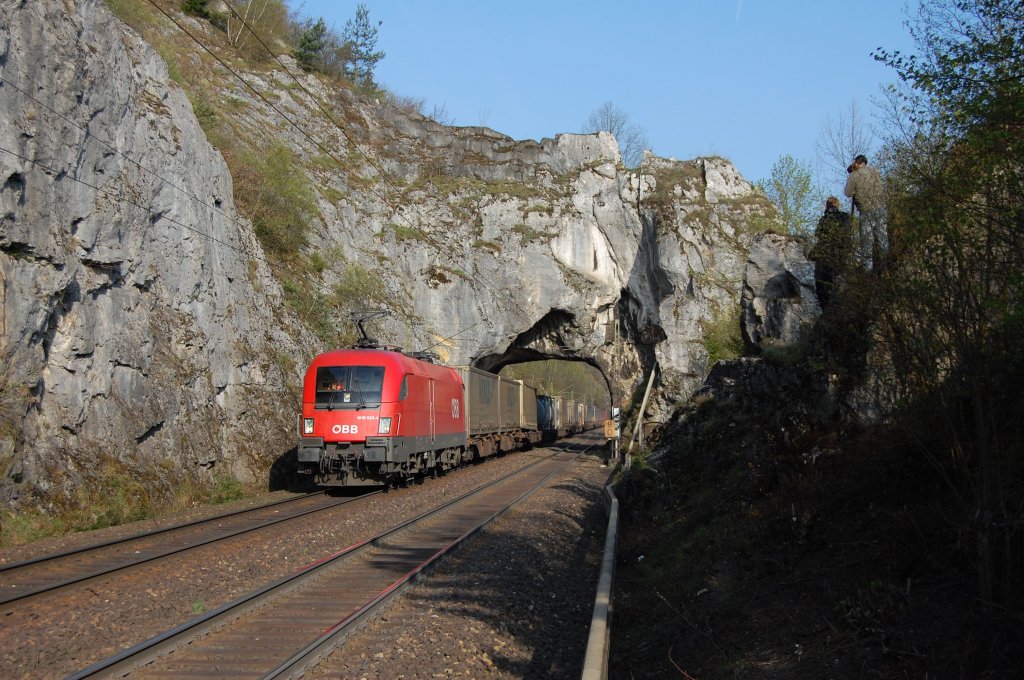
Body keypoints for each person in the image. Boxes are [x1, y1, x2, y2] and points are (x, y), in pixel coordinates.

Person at [844, 154, 889, 272]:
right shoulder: (875, 172)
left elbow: (848, 193)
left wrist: (852, 175)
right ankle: (886, 270)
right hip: (881, 209)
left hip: (866, 211)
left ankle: (867, 274)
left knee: (867, 244)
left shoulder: (855, 175)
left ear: (857, 163)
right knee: (883, 241)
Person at [809, 196, 853, 309]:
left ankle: (827, 309)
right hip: (839, 255)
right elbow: (847, 235)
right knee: (835, 284)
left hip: (825, 256)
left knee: (822, 286)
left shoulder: (824, 219)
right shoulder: (845, 217)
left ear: (828, 205)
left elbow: (819, 234)